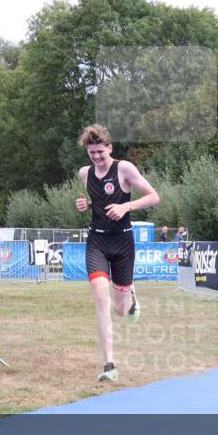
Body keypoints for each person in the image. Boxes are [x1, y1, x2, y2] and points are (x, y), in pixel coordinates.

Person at [74, 125, 159, 382]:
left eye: (100, 151)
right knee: (100, 294)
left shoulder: (124, 169)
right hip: (97, 240)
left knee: (121, 310)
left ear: (110, 148)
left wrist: (126, 206)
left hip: (123, 243)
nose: (97, 157)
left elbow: (154, 196)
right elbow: (98, 203)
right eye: (92, 153)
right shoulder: (84, 173)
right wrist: (85, 205)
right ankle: (109, 364)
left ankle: (131, 298)